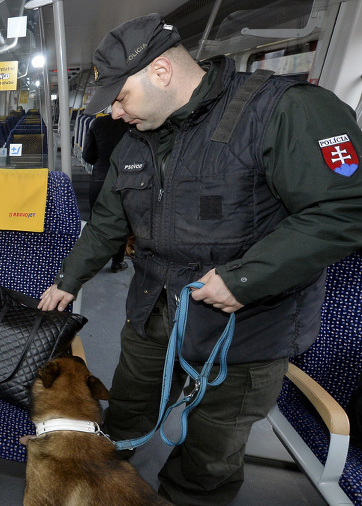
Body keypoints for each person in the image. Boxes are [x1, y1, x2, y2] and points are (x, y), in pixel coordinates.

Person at [38, 13, 362, 505]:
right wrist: (68, 279)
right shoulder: (136, 140)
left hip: (246, 330)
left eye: (121, 98)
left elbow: (344, 208)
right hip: (153, 314)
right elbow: (107, 223)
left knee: (208, 459)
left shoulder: (282, 112)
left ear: (161, 72)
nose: (117, 115)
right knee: (124, 420)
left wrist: (245, 279)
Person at [82, 113, 130, 273]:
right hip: (124, 179)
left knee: (96, 223)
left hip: (100, 179)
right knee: (121, 223)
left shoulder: (98, 123)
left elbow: (88, 156)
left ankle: (90, 263)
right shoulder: (133, 123)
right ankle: (117, 262)